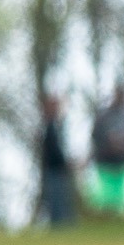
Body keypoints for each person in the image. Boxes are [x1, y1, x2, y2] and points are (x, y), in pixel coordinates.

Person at [89, 83, 124, 217]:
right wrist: (109, 145)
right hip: (106, 163)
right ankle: (106, 218)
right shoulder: (104, 117)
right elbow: (96, 137)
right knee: (106, 199)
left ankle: (122, 219)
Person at [39, 93, 79, 228]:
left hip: (58, 171)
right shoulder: (49, 128)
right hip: (54, 170)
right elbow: (53, 152)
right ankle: (59, 228)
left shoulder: (57, 127)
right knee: (56, 202)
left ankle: (63, 227)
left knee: (62, 201)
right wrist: (64, 163)